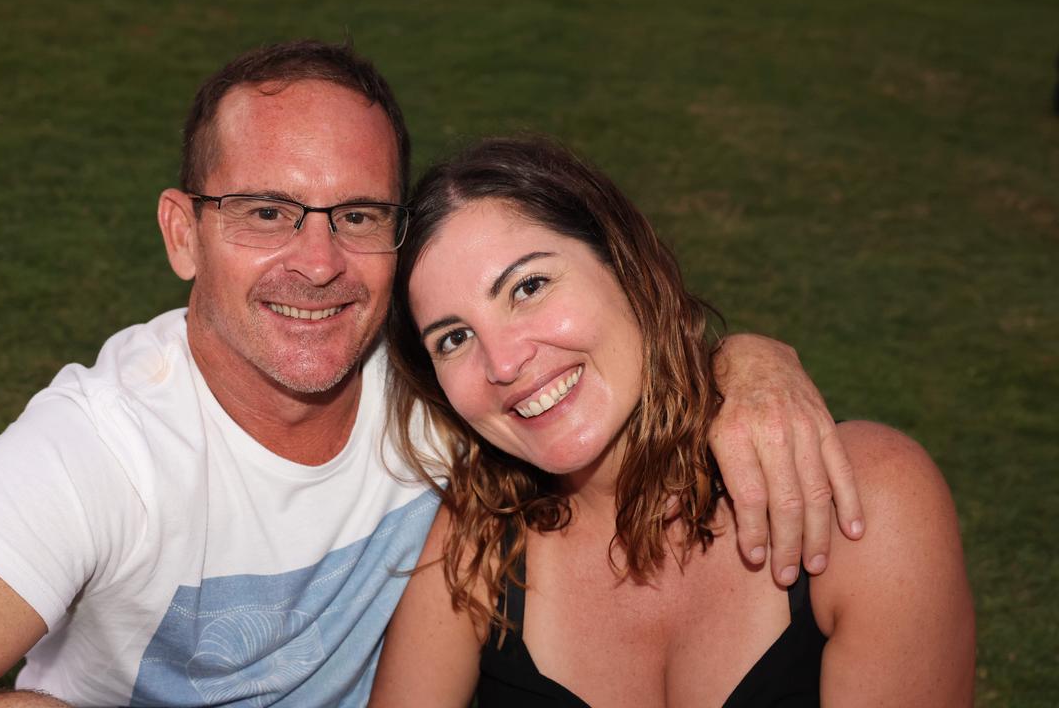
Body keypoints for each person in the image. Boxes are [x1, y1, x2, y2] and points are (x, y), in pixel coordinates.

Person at [0, 43, 862, 707]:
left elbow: (572, 366)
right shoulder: (95, 453)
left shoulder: (443, 384)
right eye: (262, 213)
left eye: (355, 216)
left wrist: (747, 365)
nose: (316, 261)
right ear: (181, 233)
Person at [371, 136, 975, 707]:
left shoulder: (864, 498)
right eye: (453, 337)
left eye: (529, 286)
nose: (503, 364)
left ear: (626, 266)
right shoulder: (475, 540)